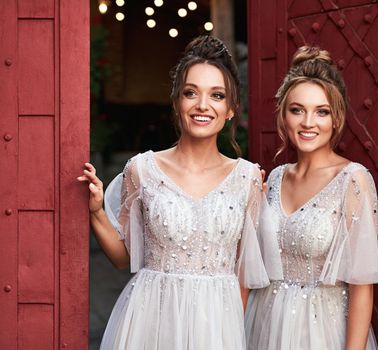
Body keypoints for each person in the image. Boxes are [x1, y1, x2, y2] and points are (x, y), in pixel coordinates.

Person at [78, 36, 269, 350]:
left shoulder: (247, 177)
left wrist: (231, 330)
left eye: (217, 95)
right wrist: (97, 211)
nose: (202, 105)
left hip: (217, 327)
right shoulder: (142, 169)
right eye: (191, 92)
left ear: (231, 109)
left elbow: (245, 271)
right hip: (150, 320)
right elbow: (123, 259)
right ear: (177, 101)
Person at [245, 46, 378, 350]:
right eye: (297, 109)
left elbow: (362, 287)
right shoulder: (273, 179)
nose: (308, 122)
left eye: (321, 111)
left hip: (323, 332)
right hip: (266, 325)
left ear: (336, 118)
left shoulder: (352, 180)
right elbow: (253, 263)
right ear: (284, 116)